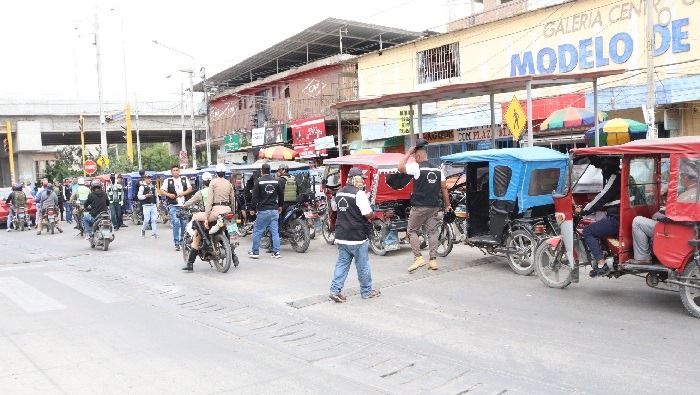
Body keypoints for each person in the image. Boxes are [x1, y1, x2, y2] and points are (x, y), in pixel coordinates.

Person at [398, 138, 451, 273]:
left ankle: (418, 258)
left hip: (420, 206)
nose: (415, 160)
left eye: (415, 157)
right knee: (432, 231)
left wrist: (408, 153)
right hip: (434, 206)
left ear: (419, 156)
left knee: (411, 230)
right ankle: (433, 260)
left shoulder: (417, 167)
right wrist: (448, 205)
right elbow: (444, 188)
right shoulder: (438, 169)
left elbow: (400, 167)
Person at [329, 168, 381, 302]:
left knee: (342, 264)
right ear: (353, 179)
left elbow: (334, 209)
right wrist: (374, 215)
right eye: (361, 178)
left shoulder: (339, 193)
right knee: (362, 266)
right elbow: (367, 214)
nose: (363, 181)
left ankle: (335, 290)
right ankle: (366, 291)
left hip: (341, 235)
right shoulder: (359, 194)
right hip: (357, 236)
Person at [183, 165, 235, 271]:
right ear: (225, 173)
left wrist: (206, 217)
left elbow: (209, 201)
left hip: (215, 211)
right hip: (228, 211)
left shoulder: (212, 184)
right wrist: (232, 211)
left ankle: (195, 256)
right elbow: (233, 199)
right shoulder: (229, 183)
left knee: (195, 218)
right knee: (232, 231)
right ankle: (234, 255)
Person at [576, 158, 621, 277]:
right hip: (622, 216)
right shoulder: (624, 176)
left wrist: (584, 210)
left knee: (588, 231)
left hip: (616, 219)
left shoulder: (615, 177)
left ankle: (602, 264)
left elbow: (603, 196)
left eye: (602, 169)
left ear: (607, 168)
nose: (601, 172)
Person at [249, 163, 283, 259]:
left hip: (263, 211)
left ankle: (255, 252)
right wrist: (280, 205)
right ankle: (276, 252)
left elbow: (254, 197)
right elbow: (281, 194)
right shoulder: (276, 181)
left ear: (261, 171)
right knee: (275, 232)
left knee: (258, 231)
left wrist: (252, 209)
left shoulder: (259, 182)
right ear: (270, 171)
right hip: (274, 211)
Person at [161, 165, 193, 250]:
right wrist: (169, 195)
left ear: (179, 171)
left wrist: (182, 194)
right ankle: (176, 242)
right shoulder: (168, 180)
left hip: (183, 205)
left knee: (184, 223)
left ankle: (183, 241)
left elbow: (190, 189)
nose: (175, 172)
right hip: (173, 205)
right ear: (171, 172)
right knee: (175, 222)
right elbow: (162, 191)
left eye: (177, 170)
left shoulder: (184, 179)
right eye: (174, 170)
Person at [138, 174, 158, 239]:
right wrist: (145, 196)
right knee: (146, 220)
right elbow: (139, 196)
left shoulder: (153, 187)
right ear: (145, 179)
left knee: (154, 219)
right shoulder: (142, 187)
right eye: (147, 178)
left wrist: (158, 204)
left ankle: (154, 233)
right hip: (146, 205)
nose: (149, 179)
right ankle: (143, 230)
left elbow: (156, 196)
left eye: (149, 178)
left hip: (153, 205)